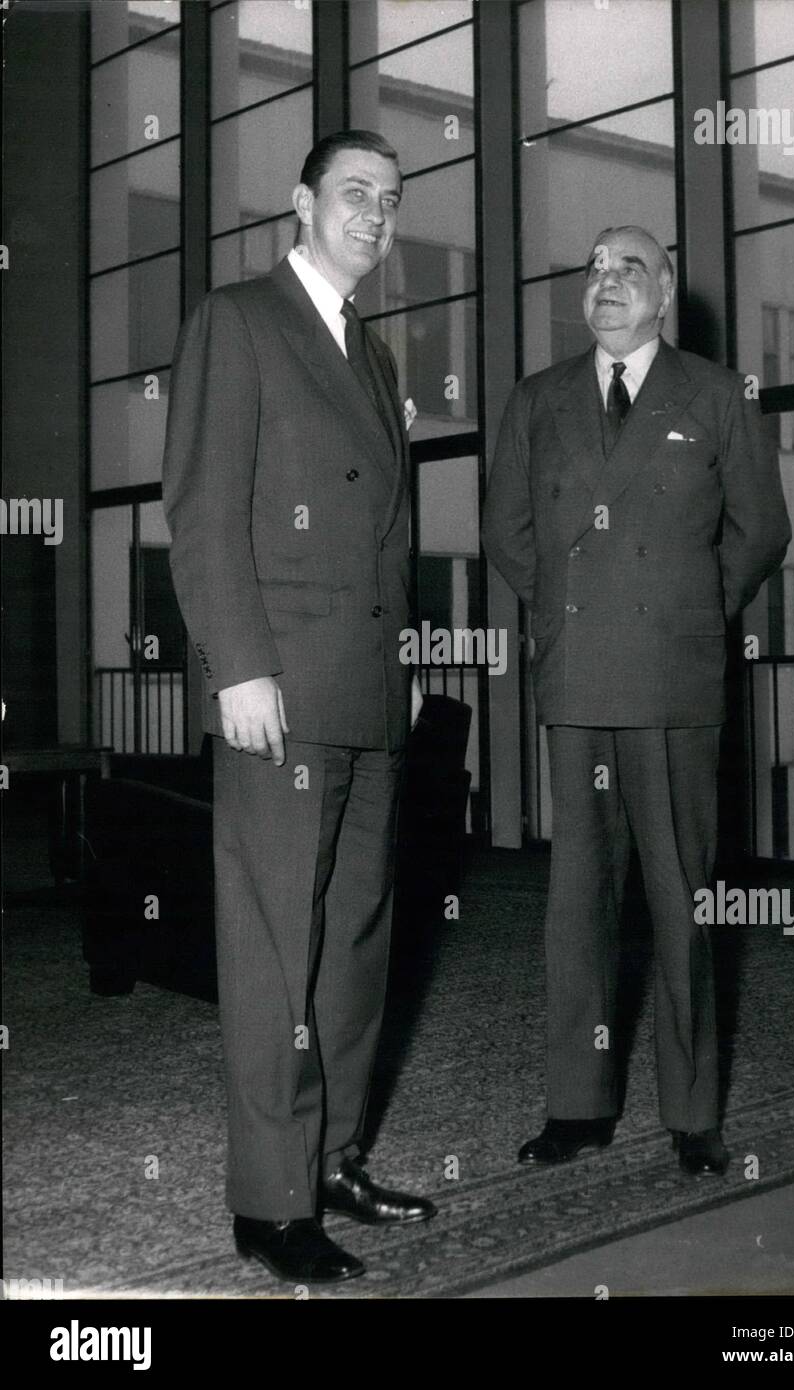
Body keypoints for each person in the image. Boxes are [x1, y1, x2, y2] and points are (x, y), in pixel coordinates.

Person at [162, 130, 435, 1286]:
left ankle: (333, 1159)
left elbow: (390, 531)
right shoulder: (239, 318)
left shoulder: (371, 356)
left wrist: (404, 657)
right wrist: (237, 666)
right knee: (277, 946)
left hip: (366, 690)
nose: (373, 215)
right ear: (301, 203)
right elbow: (203, 503)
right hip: (278, 687)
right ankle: (270, 1203)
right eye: (353, 194)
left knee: (358, 942)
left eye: (389, 200)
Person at [482, 225, 791, 1176]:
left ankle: (692, 1110)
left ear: (664, 295)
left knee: (681, 899)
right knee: (578, 900)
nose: (606, 282)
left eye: (630, 269)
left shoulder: (712, 395)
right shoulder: (538, 400)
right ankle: (578, 1105)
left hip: (674, 676)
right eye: (593, 268)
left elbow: (760, 530)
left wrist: (691, 610)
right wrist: (571, 616)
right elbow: (507, 532)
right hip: (577, 679)